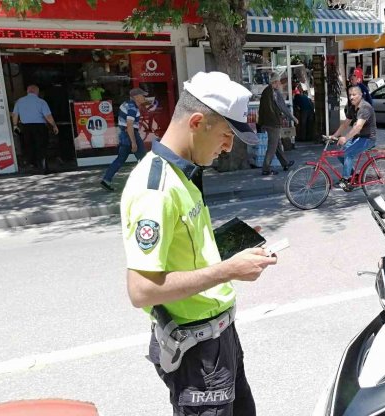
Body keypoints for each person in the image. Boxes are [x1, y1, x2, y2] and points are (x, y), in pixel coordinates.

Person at [121, 71, 276, 415]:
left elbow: (186, 251)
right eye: (225, 134)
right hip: (196, 352)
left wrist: (231, 247)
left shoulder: (184, 171)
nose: (228, 147)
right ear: (196, 122)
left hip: (219, 339)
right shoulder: (155, 189)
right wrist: (228, 270)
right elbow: (142, 290)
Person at [100, 88, 149, 191]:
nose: (144, 97)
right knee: (144, 159)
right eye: (142, 95)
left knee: (120, 159)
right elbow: (129, 125)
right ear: (136, 97)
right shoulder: (132, 108)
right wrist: (134, 142)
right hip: (131, 134)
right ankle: (147, 183)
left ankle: (106, 180)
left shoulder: (126, 104)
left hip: (123, 135)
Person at [329, 85, 377, 191]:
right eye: (350, 95)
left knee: (348, 153)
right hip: (359, 137)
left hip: (368, 138)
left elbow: (358, 126)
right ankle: (352, 177)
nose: (351, 97)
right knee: (340, 154)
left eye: (354, 94)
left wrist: (345, 138)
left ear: (360, 95)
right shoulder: (352, 107)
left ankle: (345, 180)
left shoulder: (365, 108)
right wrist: (334, 136)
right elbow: (345, 124)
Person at [10, 85, 59, 174]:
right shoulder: (41, 102)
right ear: (37, 92)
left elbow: (14, 115)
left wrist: (15, 125)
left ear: (28, 91)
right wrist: (54, 126)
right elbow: (48, 116)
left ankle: (32, 166)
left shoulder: (19, 101)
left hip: (26, 127)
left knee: (29, 146)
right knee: (42, 146)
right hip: (40, 127)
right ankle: (43, 167)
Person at [257, 73, 297, 175]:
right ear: (275, 82)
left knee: (277, 144)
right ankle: (266, 169)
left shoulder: (267, 91)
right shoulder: (275, 93)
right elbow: (283, 107)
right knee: (272, 146)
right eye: (278, 82)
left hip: (267, 122)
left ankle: (285, 163)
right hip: (273, 123)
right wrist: (293, 118)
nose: (279, 84)